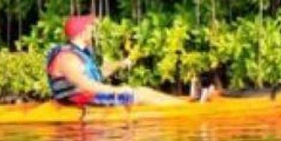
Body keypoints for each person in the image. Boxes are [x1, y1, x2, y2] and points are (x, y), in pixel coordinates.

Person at [45, 15, 188, 107]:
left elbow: (96, 75)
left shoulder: (79, 53)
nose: (93, 31)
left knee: (143, 91)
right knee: (140, 94)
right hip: (79, 100)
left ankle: (184, 105)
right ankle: (187, 109)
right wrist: (117, 91)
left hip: (87, 97)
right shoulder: (67, 58)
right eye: (90, 28)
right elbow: (86, 86)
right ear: (82, 33)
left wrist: (120, 64)